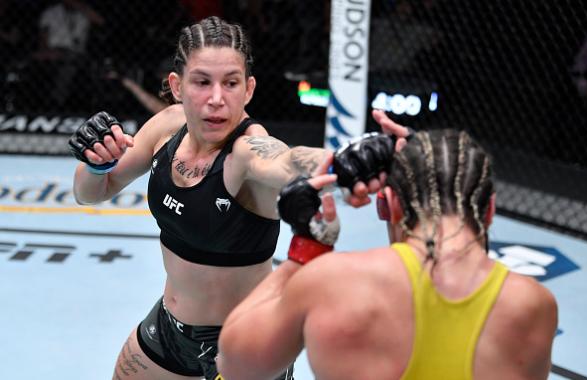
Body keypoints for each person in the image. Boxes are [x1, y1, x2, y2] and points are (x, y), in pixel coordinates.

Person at [68, 16, 409, 380]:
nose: (216, 99)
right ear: (177, 86)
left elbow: (291, 160)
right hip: (169, 329)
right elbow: (88, 193)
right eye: (202, 82)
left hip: (244, 342)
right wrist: (97, 163)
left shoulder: (248, 152)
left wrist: (353, 160)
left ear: (247, 89)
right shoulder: (168, 126)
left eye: (230, 83)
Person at [217, 127, 558, 380]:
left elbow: (235, 365)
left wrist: (306, 249)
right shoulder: (533, 306)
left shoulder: (333, 282)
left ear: (390, 204)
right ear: (490, 210)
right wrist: (425, 158)